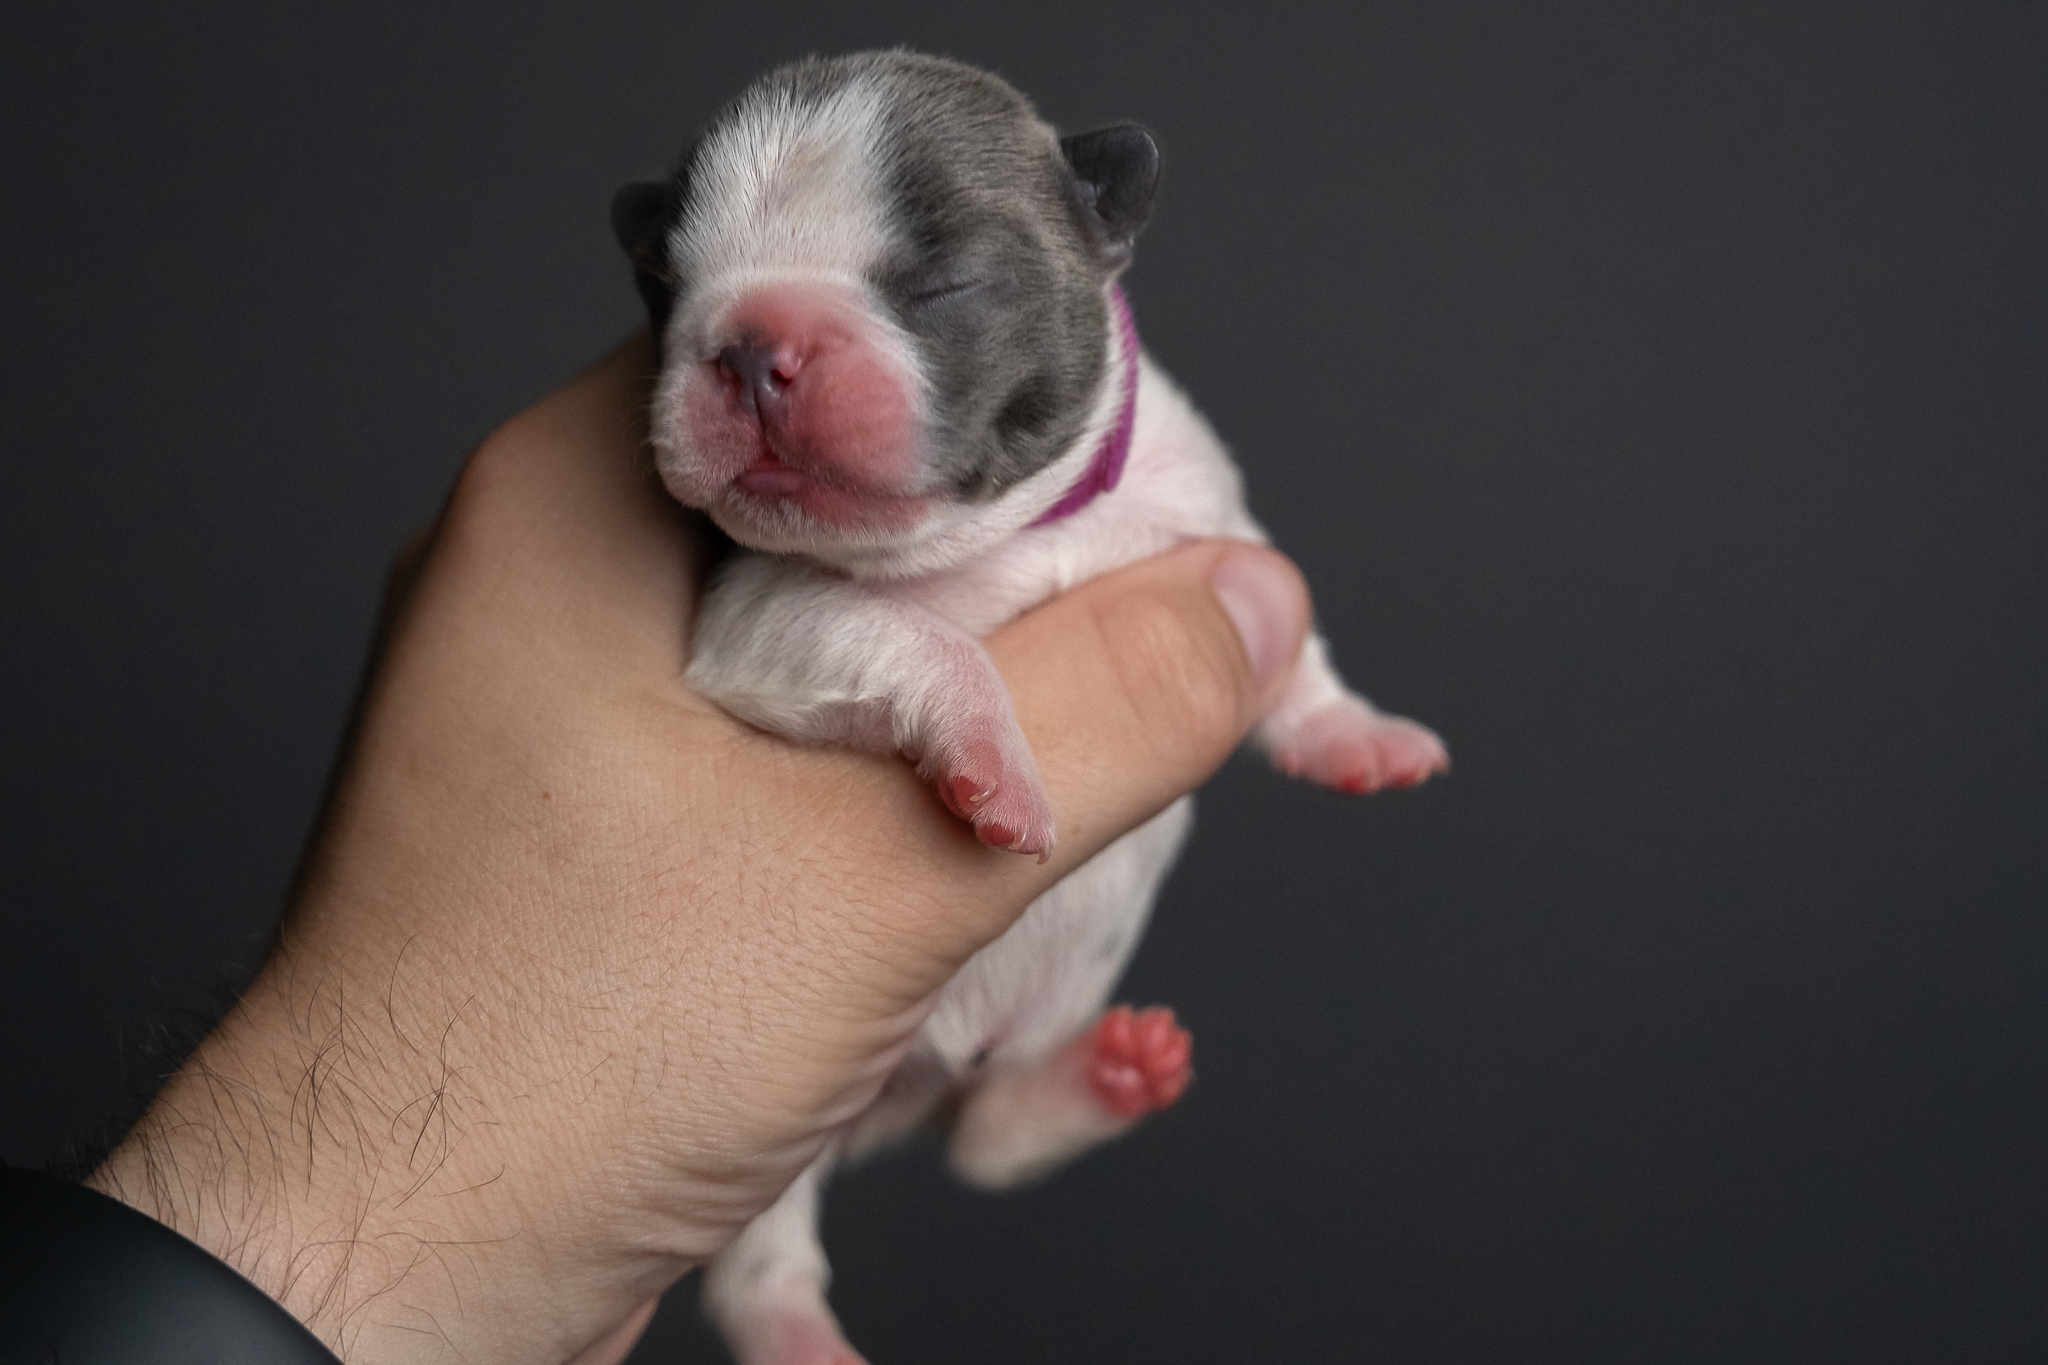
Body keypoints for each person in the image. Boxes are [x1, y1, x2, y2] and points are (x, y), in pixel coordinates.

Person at [73, 335, 1311, 1364]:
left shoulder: (1121, 442)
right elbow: (763, 647)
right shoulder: (790, 516)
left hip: (1005, 1002)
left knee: (1007, 1080)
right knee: (786, 1170)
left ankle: (1021, 1108)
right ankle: (780, 1296)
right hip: (803, 1015)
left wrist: (1314, 705)